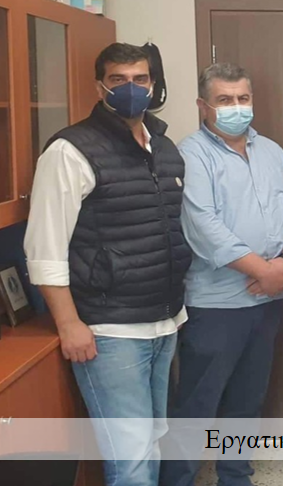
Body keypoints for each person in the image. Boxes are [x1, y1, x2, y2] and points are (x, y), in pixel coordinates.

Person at [23, 42, 192, 486]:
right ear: (100, 87)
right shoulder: (70, 150)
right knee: (130, 459)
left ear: (153, 85)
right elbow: (44, 247)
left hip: (164, 320)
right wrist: (69, 324)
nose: (130, 88)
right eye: (119, 80)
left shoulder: (164, 147)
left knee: (151, 442)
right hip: (110, 331)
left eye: (140, 79)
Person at [159, 63, 283, 486]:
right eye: (224, 100)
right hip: (216, 305)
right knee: (197, 405)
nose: (236, 107)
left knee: (247, 401)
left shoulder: (272, 152)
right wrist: (266, 271)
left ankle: (235, 477)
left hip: (267, 302)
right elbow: (203, 227)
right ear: (203, 105)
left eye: (243, 98)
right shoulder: (191, 154)